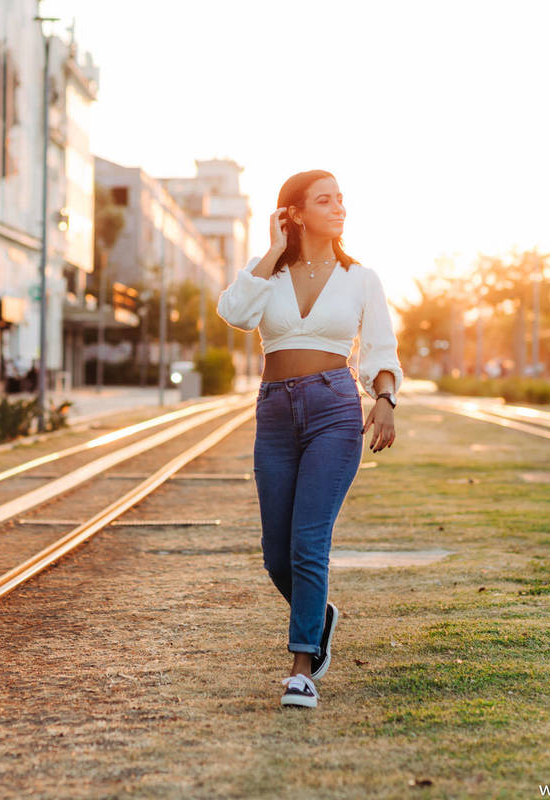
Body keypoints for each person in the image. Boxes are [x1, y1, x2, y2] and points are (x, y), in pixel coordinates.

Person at [216, 170, 402, 710]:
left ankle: (302, 667)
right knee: (276, 551)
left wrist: (385, 400)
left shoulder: (361, 278)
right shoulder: (267, 274)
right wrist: (272, 252)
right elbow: (234, 314)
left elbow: (380, 349)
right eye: (325, 200)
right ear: (294, 213)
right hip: (274, 412)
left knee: (308, 542)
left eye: (341, 199)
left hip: (333, 410)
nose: (339, 207)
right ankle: (319, 617)